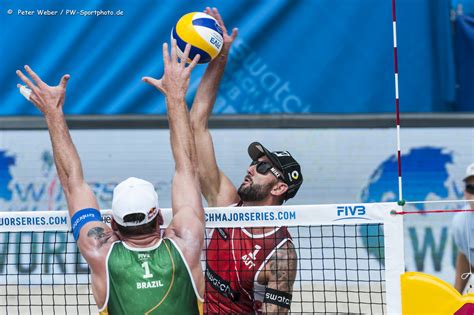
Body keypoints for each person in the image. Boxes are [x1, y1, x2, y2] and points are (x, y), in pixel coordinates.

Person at [16, 42, 205, 314]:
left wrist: (53, 113)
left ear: (112, 223)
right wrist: (175, 97)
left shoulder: (99, 252)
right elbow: (187, 166)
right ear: (161, 219)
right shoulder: (187, 242)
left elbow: (72, 183)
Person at [189, 8, 303, 314]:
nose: (251, 168)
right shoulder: (226, 203)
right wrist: (220, 57)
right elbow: (196, 124)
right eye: (254, 162)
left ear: (280, 188)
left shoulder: (281, 254)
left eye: (263, 167)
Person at [452, 163, 474, 293]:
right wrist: (456, 295)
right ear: (465, 192)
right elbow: (465, 256)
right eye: (471, 188)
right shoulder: (460, 221)